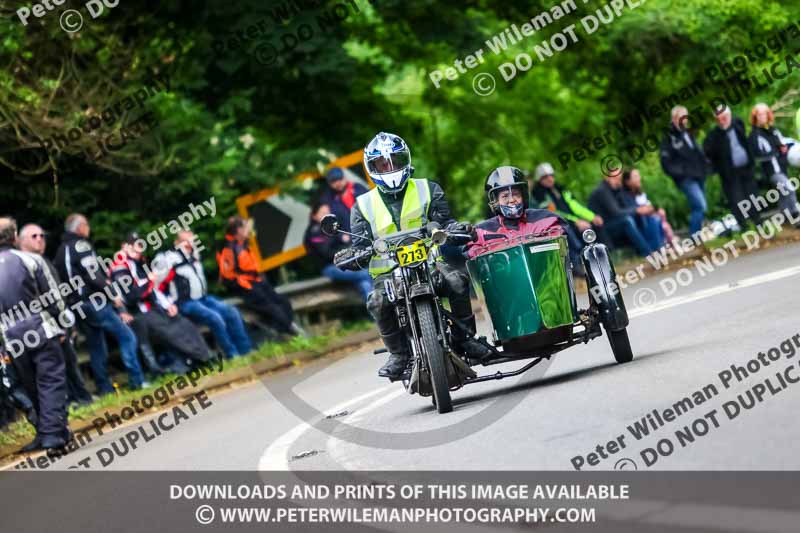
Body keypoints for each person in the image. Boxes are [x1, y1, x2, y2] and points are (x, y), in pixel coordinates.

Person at [335, 132, 492, 379]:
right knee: (376, 301)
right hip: (387, 276)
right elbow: (358, 245)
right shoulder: (362, 205)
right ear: (372, 167)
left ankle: (465, 339)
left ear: (405, 160)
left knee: (457, 281)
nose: (390, 168)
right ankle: (398, 354)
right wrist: (351, 255)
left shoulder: (428, 189)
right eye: (382, 164)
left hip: (430, 265)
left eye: (394, 161)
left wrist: (455, 230)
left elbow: (446, 222)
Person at [0, 217, 70, 452]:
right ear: (14, 236)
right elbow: (54, 297)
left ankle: (51, 432)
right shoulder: (31, 260)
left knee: (31, 386)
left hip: (10, 337)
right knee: (50, 381)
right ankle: (52, 436)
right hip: (40, 328)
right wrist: (64, 325)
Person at [54, 214, 146, 393]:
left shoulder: (61, 250)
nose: (89, 228)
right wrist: (112, 294)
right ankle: (137, 381)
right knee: (127, 336)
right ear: (80, 227)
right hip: (92, 302)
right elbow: (93, 275)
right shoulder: (81, 246)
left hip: (77, 306)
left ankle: (104, 388)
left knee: (97, 347)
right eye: (87, 224)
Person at [109, 233, 212, 375]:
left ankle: (204, 356)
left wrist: (168, 304)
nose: (138, 248)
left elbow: (154, 289)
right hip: (137, 313)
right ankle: (195, 358)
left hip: (152, 307)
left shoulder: (141, 262)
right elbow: (132, 296)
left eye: (139, 244)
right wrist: (149, 281)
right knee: (169, 329)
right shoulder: (120, 266)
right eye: (134, 245)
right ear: (124, 246)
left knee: (182, 322)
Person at [18, 223, 93, 406]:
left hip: (59, 320)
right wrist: (56, 324)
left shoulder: (45, 261)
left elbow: (58, 295)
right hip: (42, 326)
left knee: (70, 361)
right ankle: (69, 402)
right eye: (34, 236)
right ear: (21, 241)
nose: (40, 239)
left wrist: (67, 324)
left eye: (42, 236)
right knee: (55, 368)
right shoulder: (22, 264)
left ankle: (82, 398)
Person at [154, 230, 252, 359]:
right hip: (185, 303)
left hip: (203, 298)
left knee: (232, 312)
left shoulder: (195, 253)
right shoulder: (169, 259)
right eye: (185, 241)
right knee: (215, 317)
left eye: (191, 239)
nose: (189, 243)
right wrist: (167, 304)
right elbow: (154, 286)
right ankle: (232, 354)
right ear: (177, 242)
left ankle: (246, 352)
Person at [217, 216, 300, 336]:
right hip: (246, 286)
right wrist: (247, 285)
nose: (248, 229)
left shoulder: (242, 243)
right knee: (273, 309)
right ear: (239, 230)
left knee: (283, 301)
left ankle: (286, 329)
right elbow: (228, 276)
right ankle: (288, 332)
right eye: (245, 227)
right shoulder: (229, 249)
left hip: (256, 281)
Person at [466, 166, 570, 258]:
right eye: (505, 196)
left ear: (523, 196)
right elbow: (472, 256)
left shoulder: (546, 219)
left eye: (515, 194)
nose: (511, 200)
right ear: (495, 201)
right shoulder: (482, 231)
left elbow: (558, 250)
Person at [530, 161, 607, 275]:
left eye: (551, 175)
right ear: (540, 179)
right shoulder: (539, 195)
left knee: (595, 225)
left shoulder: (560, 189)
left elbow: (575, 206)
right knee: (567, 231)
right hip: (557, 224)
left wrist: (592, 217)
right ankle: (577, 265)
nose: (550, 179)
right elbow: (553, 213)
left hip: (573, 221)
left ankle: (600, 260)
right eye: (545, 177)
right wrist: (576, 221)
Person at [703, 105, 762, 229]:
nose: (722, 121)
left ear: (729, 116)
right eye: (718, 119)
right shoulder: (713, 136)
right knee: (736, 199)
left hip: (746, 168)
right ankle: (743, 226)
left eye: (724, 117)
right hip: (729, 173)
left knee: (752, 195)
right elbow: (707, 154)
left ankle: (757, 222)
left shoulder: (738, 124)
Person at [304, 202, 372, 301]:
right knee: (366, 273)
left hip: (347, 262)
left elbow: (350, 241)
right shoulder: (314, 232)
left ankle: (378, 310)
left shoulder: (333, 228)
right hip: (330, 267)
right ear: (314, 216)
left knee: (364, 283)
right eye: (323, 213)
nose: (326, 215)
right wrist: (345, 247)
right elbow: (327, 253)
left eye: (328, 212)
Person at [660, 105, 711, 235]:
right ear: (674, 119)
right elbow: (666, 163)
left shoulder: (688, 133)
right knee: (700, 205)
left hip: (699, 175)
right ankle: (694, 237)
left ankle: (698, 236)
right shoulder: (668, 138)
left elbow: (697, 152)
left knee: (698, 208)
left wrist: (706, 166)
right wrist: (682, 172)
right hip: (686, 179)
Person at [588, 168, 658, 257]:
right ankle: (647, 253)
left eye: (619, 176)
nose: (618, 179)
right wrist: (637, 210)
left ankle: (656, 248)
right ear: (607, 177)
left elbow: (628, 206)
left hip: (613, 223)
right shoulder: (602, 191)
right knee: (627, 220)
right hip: (603, 228)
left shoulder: (617, 190)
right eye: (615, 177)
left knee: (648, 217)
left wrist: (641, 209)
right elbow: (616, 212)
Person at [748, 103, 800, 222]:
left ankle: (785, 219)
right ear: (755, 117)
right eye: (760, 114)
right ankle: (796, 217)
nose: (763, 116)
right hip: (771, 170)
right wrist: (774, 153)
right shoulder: (754, 135)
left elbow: (781, 143)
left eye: (765, 114)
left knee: (783, 193)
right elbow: (757, 153)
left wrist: (783, 148)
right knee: (788, 188)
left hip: (782, 167)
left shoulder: (773, 130)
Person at [622, 168, 673, 244]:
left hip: (649, 220)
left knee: (659, 217)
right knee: (654, 219)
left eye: (638, 176)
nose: (639, 178)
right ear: (627, 182)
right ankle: (659, 246)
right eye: (635, 176)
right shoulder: (625, 197)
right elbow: (639, 210)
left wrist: (657, 210)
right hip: (641, 223)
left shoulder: (641, 194)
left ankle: (665, 243)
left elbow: (649, 206)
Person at [320, 167, 368, 232]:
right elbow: (336, 223)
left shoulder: (357, 188)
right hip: (356, 235)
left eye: (340, 179)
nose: (338, 183)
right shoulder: (332, 201)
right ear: (330, 184)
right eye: (333, 181)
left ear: (345, 178)